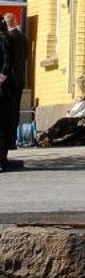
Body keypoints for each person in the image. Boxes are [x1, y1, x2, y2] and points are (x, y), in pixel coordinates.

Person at [0, 10, 29, 171]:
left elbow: (7, 61)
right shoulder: (22, 37)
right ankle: (9, 146)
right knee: (12, 115)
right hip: (18, 81)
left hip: (8, 84)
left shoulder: (7, 39)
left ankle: (5, 151)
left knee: (6, 118)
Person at [35, 77, 85, 148]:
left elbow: (79, 112)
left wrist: (69, 115)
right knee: (71, 135)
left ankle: (46, 138)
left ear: (82, 87)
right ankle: (50, 141)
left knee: (62, 122)